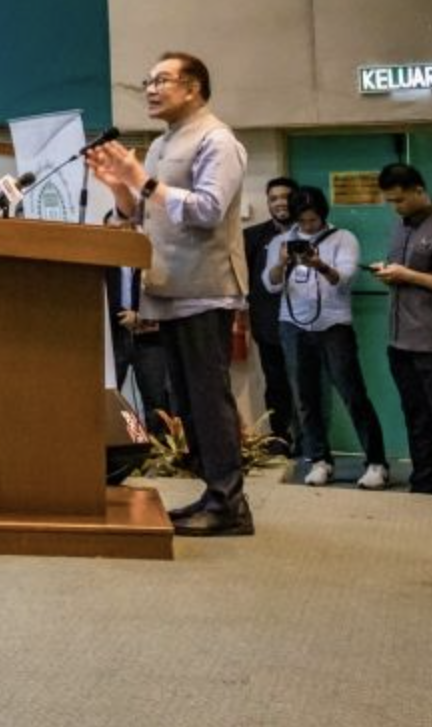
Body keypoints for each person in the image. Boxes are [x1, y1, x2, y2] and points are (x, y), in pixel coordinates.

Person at [88, 51, 253, 537]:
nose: (151, 89)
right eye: (148, 81)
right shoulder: (163, 143)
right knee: (188, 400)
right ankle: (213, 493)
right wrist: (121, 190)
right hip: (167, 287)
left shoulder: (218, 140)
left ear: (194, 87)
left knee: (208, 398)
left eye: (162, 80)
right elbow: (145, 214)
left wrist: (141, 180)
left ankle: (229, 504)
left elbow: (207, 210)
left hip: (205, 288)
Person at [262, 185, 387, 489]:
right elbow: (270, 284)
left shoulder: (343, 238)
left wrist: (320, 265)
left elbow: (344, 280)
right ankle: (319, 460)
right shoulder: (281, 242)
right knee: (305, 398)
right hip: (293, 326)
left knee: (352, 394)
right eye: (302, 220)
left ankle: (376, 463)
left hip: (334, 326)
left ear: (322, 215)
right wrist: (281, 263)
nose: (308, 226)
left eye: (313, 220)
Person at [368, 163, 432, 495]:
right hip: (400, 341)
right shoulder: (399, 227)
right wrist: (389, 273)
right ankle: (424, 484)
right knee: (416, 418)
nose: (396, 207)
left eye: (400, 200)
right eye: (390, 201)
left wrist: (409, 275)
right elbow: (405, 275)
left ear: (420, 190)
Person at [242, 175, 302, 450]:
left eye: (286, 197)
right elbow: (244, 281)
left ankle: (311, 440)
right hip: (268, 324)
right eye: (274, 198)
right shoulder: (252, 236)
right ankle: (280, 436)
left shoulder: (312, 232)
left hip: (307, 323)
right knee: (276, 382)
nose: (280, 203)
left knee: (307, 382)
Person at [105, 208, 175, 425]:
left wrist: (140, 317)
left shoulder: (152, 260)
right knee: (107, 399)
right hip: (113, 339)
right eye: (112, 230)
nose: (119, 234)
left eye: (123, 228)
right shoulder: (101, 263)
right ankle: (112, 443)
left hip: (150, 340)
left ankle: (159, 444)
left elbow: (166, 300)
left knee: (157, 403)